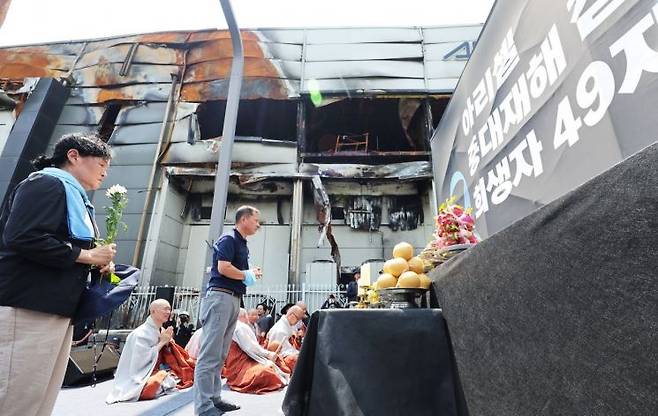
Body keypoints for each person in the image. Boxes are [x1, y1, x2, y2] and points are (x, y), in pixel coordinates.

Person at [0, 133, 116, 416]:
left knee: (37, 400)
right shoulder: (46, 183)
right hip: (28, 307)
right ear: (74, 156)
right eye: (101, 163)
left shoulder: (71, 193)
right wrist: (87, 255)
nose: (104, 171)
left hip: (53, 310)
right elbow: (24, 236)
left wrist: (96, 262)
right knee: (15, 397)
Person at [194, 206, 263, 416]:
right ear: (244, 219)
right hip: (220, 297)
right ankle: (204, 406)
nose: (258, 225)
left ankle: (214, 399)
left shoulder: (240, 243)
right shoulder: (229, 239)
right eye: (256, 220)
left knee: (220, 352)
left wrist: (246, 274)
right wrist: (246, 274)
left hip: (232, 298)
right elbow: (223, 268)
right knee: (210, 354)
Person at [106, 299, 195, 403]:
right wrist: (162, 342)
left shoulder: (160, 330)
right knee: (155, 384)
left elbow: (171, 354)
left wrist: (167, 343)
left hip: (154, 370)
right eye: (165, 309)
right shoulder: (141, 334)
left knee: (178, 376)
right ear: (153, 311)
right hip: (138, 375)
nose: (168, 312)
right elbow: (139, 361)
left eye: (169, 309)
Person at [222, 309, 288, 394]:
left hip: (244, 360)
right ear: (245, 316)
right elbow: (250, 347)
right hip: (240, 365)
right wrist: (267, 354)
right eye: (252, 315)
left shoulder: (251, 326)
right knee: (266, 372)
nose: (256, 317)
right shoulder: (240, 327)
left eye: (256, 315)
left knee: (274, 363)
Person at [266, 305, 305, 374]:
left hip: (286, 353)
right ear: (292, 316)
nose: (298, 322)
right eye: (298, 319)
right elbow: (283, 351)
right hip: (278, 359)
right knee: (296, 359)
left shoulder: (287, 325)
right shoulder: (280, 330)